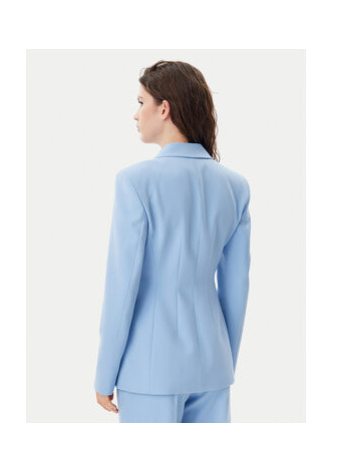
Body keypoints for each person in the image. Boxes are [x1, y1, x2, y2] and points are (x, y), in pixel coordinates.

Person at [94, 60, 251, 423]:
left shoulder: (136, 182)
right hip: (213, 367)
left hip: (149, 369)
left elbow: (122, 287)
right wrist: (223, 363)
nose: (136, 115)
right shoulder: (235, 186)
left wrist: (104, 374)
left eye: (141, 102)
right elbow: (236, 289)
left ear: (163, 108)